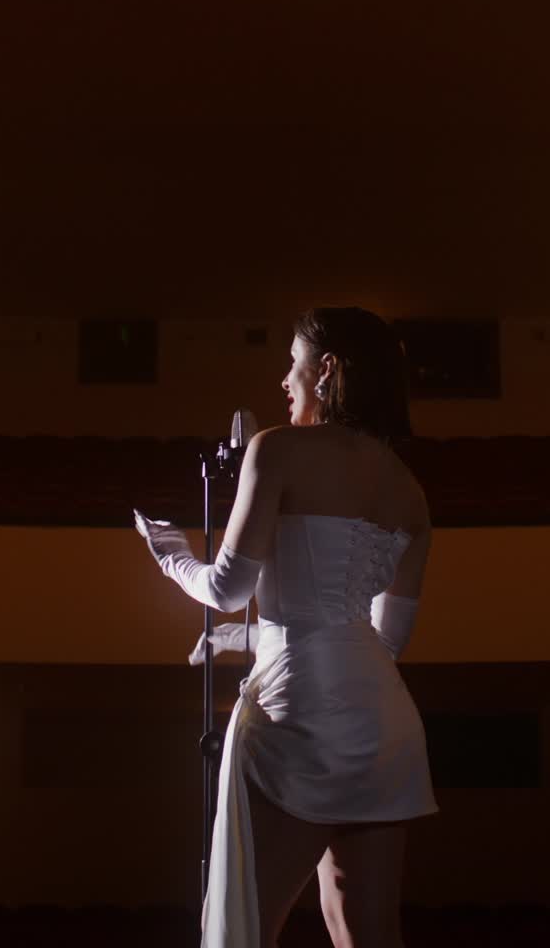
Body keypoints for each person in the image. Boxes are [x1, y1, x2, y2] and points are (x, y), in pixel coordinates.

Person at [135, 306, 437, 948]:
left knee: (248, 928)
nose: (283, 380)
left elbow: (225, 588)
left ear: (326, 370)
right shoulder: (410, 491)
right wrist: (241, 639)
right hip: (384, 726)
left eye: (292, 362)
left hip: (301, 718)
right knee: (367, 933)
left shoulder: (278, 449)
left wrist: (169, 552)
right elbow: (382, 640)